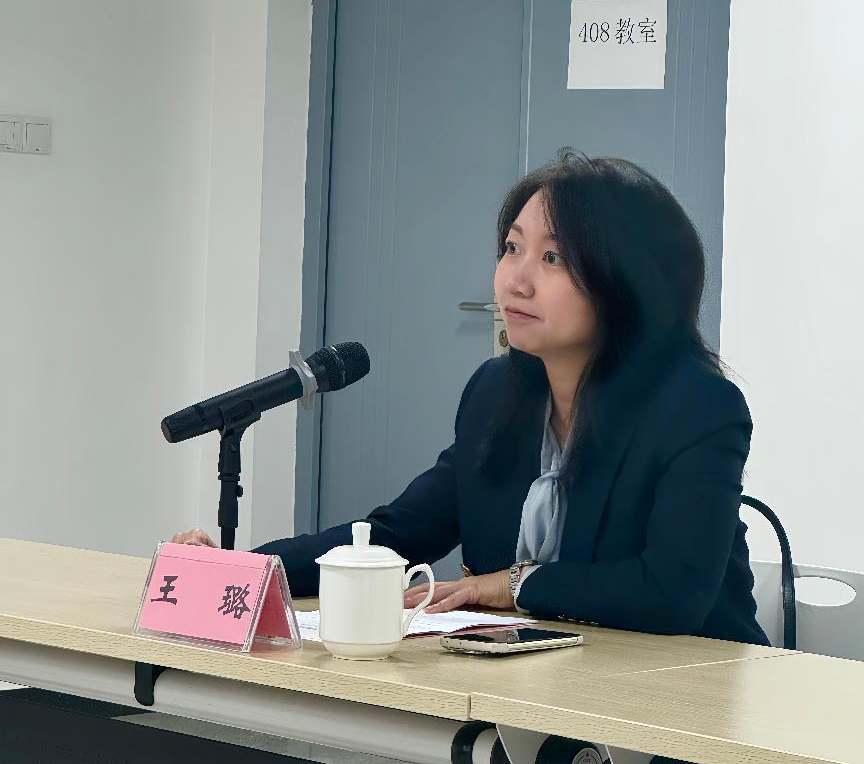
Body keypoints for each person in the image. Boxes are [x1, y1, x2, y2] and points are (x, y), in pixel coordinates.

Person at [173, 149, 768, 648]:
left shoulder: (697, 407)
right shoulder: (496, 392)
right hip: (539, 689)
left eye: (553, 258)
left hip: (690, 698)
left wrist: (512, 585)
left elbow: (673, 593)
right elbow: (397, 534)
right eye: (511, 248)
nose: (516, 280)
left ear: (629, 283)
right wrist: (248, 569)